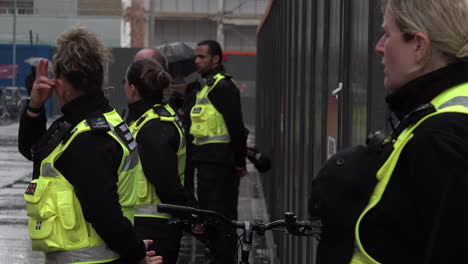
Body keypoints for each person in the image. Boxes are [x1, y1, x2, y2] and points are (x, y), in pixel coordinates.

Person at [18, 26, 162, 264]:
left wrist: (135, 253)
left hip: (87, 259)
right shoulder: (94, 121)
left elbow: (103, 212)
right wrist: (35, 108)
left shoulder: (89, 137)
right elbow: (35, 151)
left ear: (62, 82)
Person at [348, 0, 468, 263]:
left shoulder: (442, 137)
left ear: (419, 46)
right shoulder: (443, 113)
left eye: (388, 34)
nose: (379, 47)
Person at [188, 40, 247, 263]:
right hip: (206, 165)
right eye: (196, 57)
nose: (197, 61)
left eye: (202, 57)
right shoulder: (206, 87)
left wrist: (239, 162)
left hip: (222, 167)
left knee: (222, 219)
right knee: (210, 218)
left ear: (216, 59)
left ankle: (224, 258)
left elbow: (236, 128)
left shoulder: (223, 87)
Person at [125, 58, 186, 264]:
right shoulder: (155, 118)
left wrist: (187, 215)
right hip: (151, 223)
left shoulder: (152, 127)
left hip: (152, 227)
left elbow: (166, 182)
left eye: (126, 83)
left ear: (132, 89)